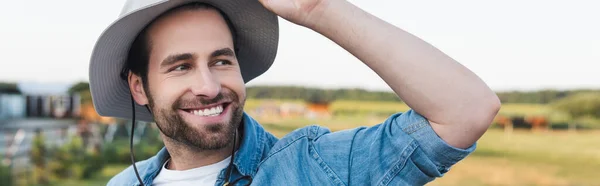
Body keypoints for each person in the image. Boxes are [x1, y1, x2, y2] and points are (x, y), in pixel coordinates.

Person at [89, 0, 500, 185]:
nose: (210, 86)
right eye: (180, 66)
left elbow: (466, 110)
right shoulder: (125, 183)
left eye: (221, 60)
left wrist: (317, 8)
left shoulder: (314, 169)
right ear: (139, 87)